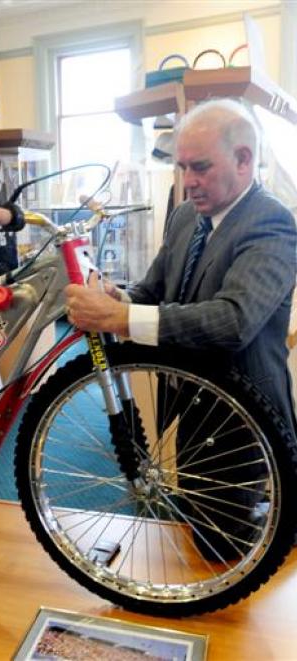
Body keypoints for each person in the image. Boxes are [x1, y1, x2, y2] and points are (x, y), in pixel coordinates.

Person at [65, 99, 297, 559]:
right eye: (182, 166)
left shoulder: (272, 222)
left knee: (223, 551)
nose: (188, 181)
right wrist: (120, 299)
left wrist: (120, 318)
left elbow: (234, 321)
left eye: (201, 167)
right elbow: (153, 290)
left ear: (244, 159)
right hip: (191, 405)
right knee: (201, 531)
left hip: (242, 417)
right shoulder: (187, 216)